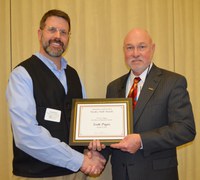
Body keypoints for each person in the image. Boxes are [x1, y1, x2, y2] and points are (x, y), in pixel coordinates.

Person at [6, 9, 105, 180]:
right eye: (52, 30)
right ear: (40, 33)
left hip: (76, 173)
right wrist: (81, 160)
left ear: (68, 38)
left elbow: (83, 127)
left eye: (63, 32)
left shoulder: (74, 76)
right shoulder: (22, 74)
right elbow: (26, 135)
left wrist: (91, 150)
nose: (57, 36)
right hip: (37, 176)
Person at [89, 28, 196, 180]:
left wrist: (141, 141)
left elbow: (186, 129)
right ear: (124, 51)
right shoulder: (113, 87)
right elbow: (112, 134)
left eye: (142, 46)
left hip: (157, 175)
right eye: (130, 47)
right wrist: (98, 153)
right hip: (121, 174)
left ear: (152, 49)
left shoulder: (172, 82)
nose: (135, 53)